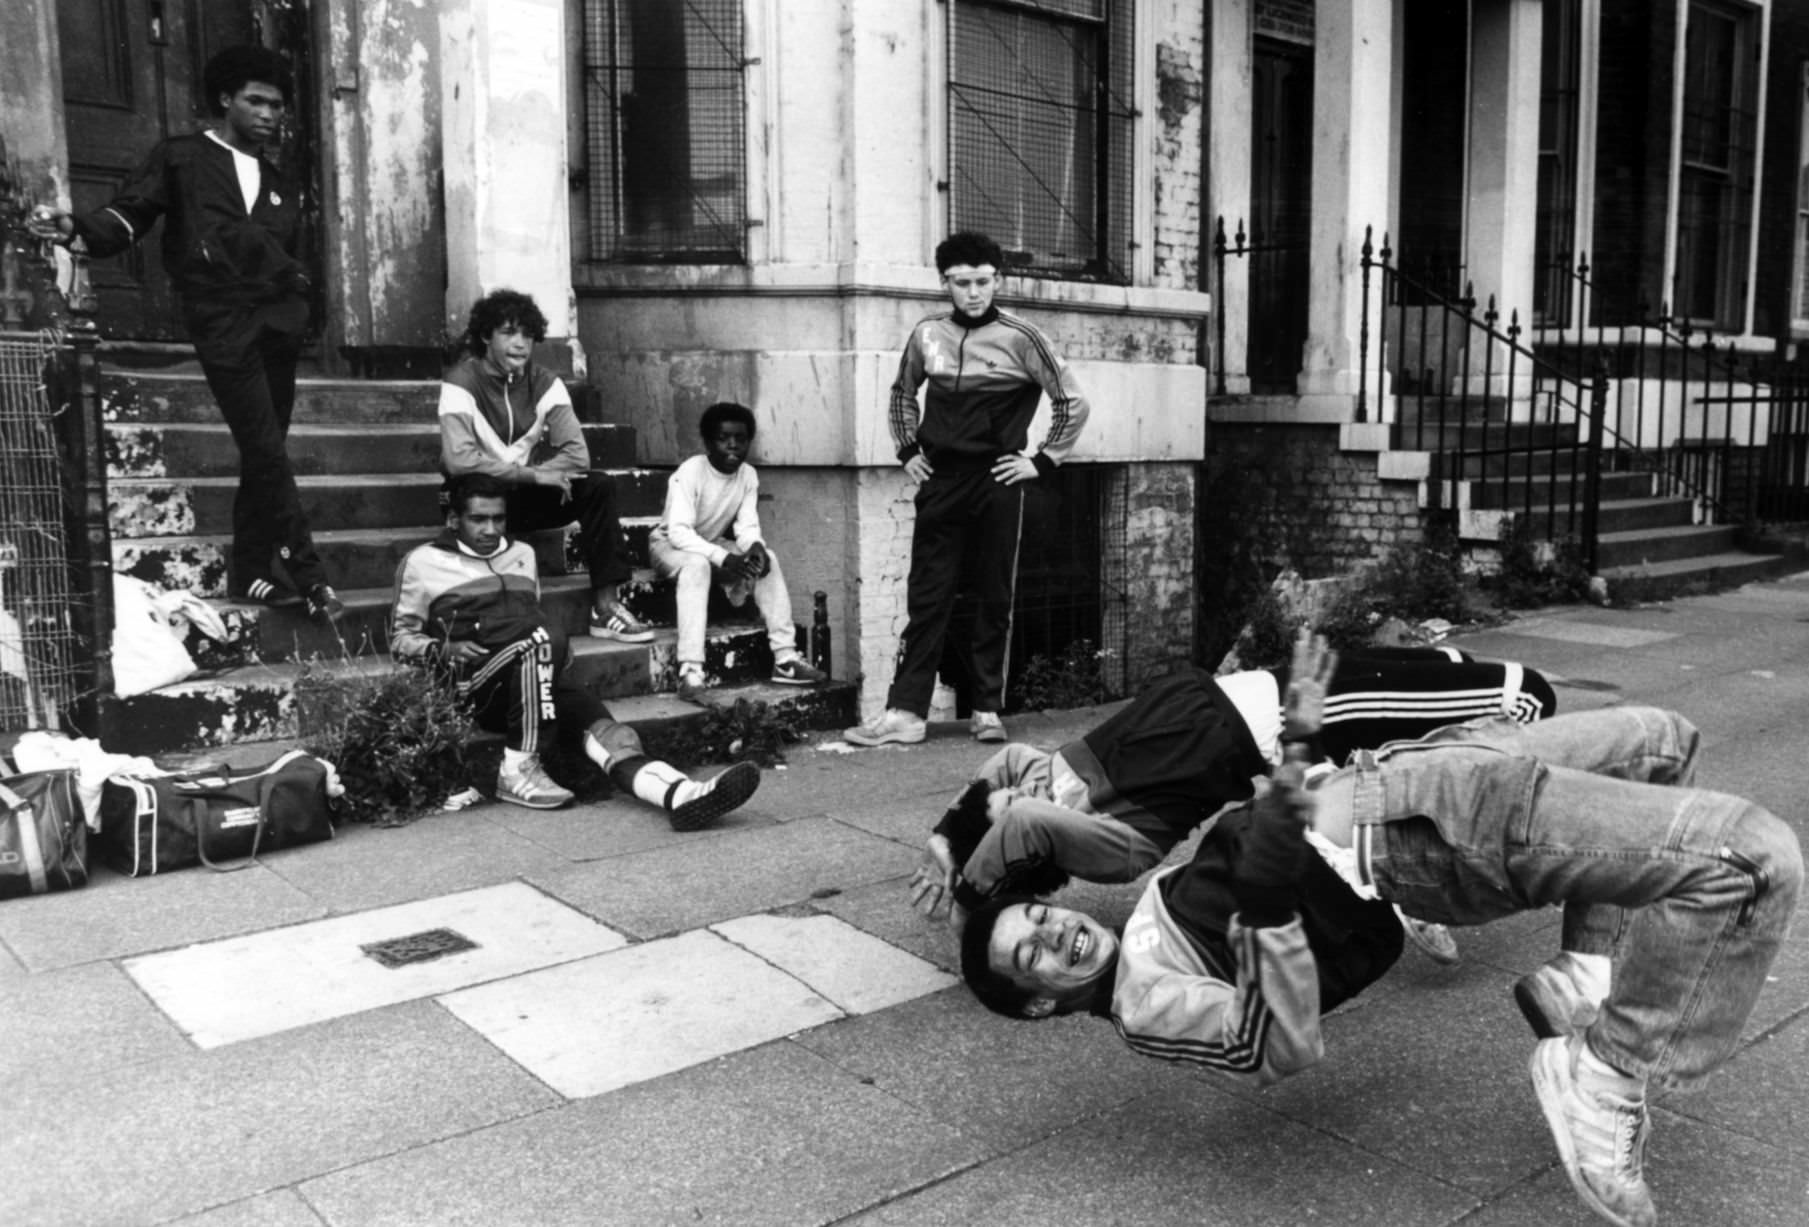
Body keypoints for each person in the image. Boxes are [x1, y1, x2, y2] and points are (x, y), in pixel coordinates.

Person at [958, 632, 1801, 1227]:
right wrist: (1263, 911)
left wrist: (1295, 749)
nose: (1054, 933)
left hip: (1385, 783)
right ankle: (1607, 1073)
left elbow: (1207, 831)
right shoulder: (1146, 1007)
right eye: (1032, 955)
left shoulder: (1144, 919)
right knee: (1749, 859)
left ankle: (1582, 972)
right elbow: (1272, 1044)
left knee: (1659, 740)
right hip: (1410, 842)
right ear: (1040, 1006)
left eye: (1038, 916)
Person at [911, 646, 1558, 963]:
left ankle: (1406, 871)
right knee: (1498, 694)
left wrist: (956, 861)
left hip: (1250, 709)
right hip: (1254, 716)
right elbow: (1016, 799)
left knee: (1468, 679)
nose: (1016, 792)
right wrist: (963, 875)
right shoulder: (1085, 817)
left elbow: (1009, 779)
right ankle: (1425, 866)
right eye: (1006, 806)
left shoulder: (1059, 800)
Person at [30, 45, 340, 621]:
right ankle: (309, 573)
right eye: (256, 101)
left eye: (277, 105)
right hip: (222, 322)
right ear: (226, 99)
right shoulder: (183, 158)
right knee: (266, 445)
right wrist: (77, 228)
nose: (269, 114)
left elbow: (290, 255)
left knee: (262, 446)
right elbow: (130, 214)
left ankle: (251, 572)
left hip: (276, 323)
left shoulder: (280, 181)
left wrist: (296, 301)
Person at [390, 473, 759, 829]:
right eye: (478, 519)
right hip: (478, 684)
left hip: (536, 674)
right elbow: (400, 639)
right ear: (454, 519)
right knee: (546, 637)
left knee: (609, 733)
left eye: (498, 518)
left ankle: (679, 795)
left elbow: (528, 618)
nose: (490, 529)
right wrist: (442, 648)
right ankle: (516, 768)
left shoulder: (521, 554)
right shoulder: (422, 562)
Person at [845, 231, 1090, 748]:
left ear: (997, 280)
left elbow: (1071, 401)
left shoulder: (1022, 336)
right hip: (941, 479)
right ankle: (906, 714)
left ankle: (986, 709)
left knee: (992, 593)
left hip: (997, 479)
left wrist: (1041, 462)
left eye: (982, 281)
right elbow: (901, 394)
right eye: (961, 283)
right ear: (945, 284)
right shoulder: (927, 334)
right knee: (928, 595)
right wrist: (908, 450)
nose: (973, 292)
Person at [439, 289, 652, 645]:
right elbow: (459, 461)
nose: (520, 343)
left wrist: (540, 476)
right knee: (474, 481)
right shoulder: (462, 381)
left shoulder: (545, 383)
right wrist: (535, 475)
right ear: (485, 337)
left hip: (519, 498)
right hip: (474, 502)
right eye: (508, 333)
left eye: (527, 334)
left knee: (596, 485)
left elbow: (576, 454)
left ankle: (606, 606)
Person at [648, 401, 827, 702]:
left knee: (767, 558)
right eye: (723, 438)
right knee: (697, 566)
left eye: (741, 439)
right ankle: (690, 670)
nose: (733, 445)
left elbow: (746, 528)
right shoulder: (690, 471)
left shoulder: (748, 476)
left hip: (711, 542)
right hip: (668, 544)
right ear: (708, 442)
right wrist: (723, 558)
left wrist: (754, 547)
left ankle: (785, 658)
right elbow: (678, 532)